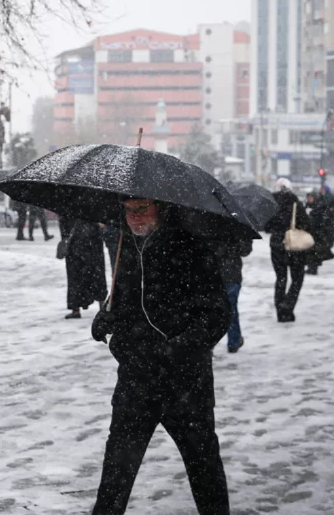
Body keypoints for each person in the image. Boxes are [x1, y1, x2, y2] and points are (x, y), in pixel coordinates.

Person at [89, 197, 231, 515]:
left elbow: (217, 314)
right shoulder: (126, 245)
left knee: (202, 463)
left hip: (185, 382)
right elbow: (125, 302)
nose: (134, 217)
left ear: (161, 208)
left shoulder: (191, 247)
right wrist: (108, 317)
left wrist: (179, 347)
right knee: (117, 469)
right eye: (128, 210)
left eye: (142, 209)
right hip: (136, 377)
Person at [263, 179, 310, 323]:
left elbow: (266, 226)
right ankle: (288, 306)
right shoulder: (296, 204)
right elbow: (306, 223)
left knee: (280, 278)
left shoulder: (271, 205)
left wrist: (277, 227)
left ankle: (280, 311)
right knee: (297, 279)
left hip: (277, 245)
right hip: (294, 246)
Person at [210, 237, 252, 354]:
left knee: (213, 310)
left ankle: (210, 342)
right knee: (230, 309)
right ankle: (234, 341)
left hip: (214, 274)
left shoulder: (208, 229)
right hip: (230, 274)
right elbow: (245, 250)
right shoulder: (239, 230)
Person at [63, 219, 108, 319]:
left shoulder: (69, 212)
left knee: (76, 276)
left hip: (78, 241)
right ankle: (101, 306)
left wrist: (65, 238)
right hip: (88, 241)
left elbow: (64, 223)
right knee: (96, 274)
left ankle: (76, 309)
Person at [304, 189, 334, 275]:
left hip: (318, 234)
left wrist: (312, 215)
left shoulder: (320, 207)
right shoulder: (307, 206)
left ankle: (313, 268)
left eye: (311, 197)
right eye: (308, 197)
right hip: (309, 233)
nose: (309, 199)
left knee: (315, 252)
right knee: (309, 251)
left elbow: (323, 220)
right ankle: (310, 267)